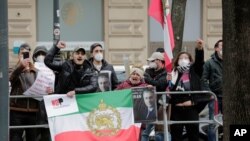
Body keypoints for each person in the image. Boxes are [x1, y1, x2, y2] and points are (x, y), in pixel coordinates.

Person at [168, 39, 204, 141]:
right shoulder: (173, 73)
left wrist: (199, 49)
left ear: (190, 60)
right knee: (176, 135)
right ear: (177, 60)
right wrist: (168, 81)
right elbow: (169, 90)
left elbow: (200, 62)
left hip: (191, 109)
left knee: (193, 136)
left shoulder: (194, 71)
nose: (183, 59)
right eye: (181, 58)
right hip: (176, 110)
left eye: (186, 57)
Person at [9, 43, 38, 141]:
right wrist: (21, 67)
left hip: (33, 111)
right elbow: (10, 78)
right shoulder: (13, 69)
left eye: (27, 54)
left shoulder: (36, 71)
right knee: (15, 138)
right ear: (18, 55)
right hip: (16, 110)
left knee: (32, 138)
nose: (25, 56)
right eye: (22, 54)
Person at [142, 51, 169, 141]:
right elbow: (144, 80)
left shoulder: (166, 73)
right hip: (146, 106)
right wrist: (152, 83)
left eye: (153, 60)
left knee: (160, 132)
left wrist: (150, 82)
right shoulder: (148, 71)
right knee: (145, 132)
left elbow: (160, 85)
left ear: (160, 61)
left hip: (159, 106)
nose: (151, 62)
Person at [201, 39, 223, 141]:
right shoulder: (209, 63)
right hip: (215, 97)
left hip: (229, 97)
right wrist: (210, 94)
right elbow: (203, 80)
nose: (223, 48)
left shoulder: (232, 61)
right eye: (221, 46)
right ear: (216, 48)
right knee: (212, 122)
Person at [32, 45, 53, 141]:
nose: (41, 56)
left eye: (43, 54)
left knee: (46, 137)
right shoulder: (30, 70)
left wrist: (53, 91)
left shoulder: (52, 71)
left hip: (47, 111)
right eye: (38, 54)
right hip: (33, 111)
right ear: (34, 57)